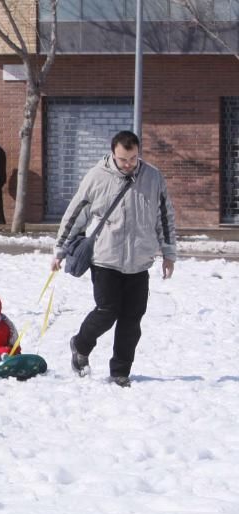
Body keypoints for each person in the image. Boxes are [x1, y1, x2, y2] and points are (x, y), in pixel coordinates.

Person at [51, 130, 177, 387]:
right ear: (113, 154)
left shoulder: (152, 177)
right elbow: (75, 215)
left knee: (132, 318)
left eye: (132, 158)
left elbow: (164, 216)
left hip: (139, 260)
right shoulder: (97, 177)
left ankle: (120, 371)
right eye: (123, 159)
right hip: (106, 258)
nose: (128, 164)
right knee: (108, 311)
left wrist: (168, 252)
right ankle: (81, 344)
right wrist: (60, 250)